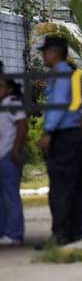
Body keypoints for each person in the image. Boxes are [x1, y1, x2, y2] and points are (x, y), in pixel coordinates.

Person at [38, 35, 82, 247]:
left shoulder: (60, 74)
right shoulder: (72, 74)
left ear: (54, 52)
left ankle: (60, 234)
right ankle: (74, 232)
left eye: (45, 52)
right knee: (73, 185)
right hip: (74, 133)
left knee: (60, 187)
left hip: (63, 134)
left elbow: (58, 104)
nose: (42, 56)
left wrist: (48, 131)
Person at [0, 75, 28, 246]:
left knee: (10, 197)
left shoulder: (12, 103)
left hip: (8, 156)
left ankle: (14, 233)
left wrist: (16, 150)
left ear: (9, 89)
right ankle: (4, 232)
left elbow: (22, 126)